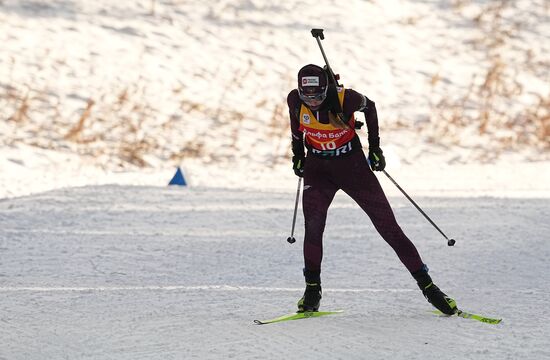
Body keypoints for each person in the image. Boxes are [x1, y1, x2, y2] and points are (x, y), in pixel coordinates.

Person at [287, 64, 457, 315]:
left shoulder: (346, 98)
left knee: (388, 227)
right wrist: (298, 154)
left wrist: (375, 147)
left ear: (326, 89)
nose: (312, 102)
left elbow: (371, 107)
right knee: (313, 227)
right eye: (307, 96)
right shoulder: (294, 100)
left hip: (351, 166)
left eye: (318, 96)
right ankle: (312, 290)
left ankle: (429, 288)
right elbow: (295, 127)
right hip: (318, 169)